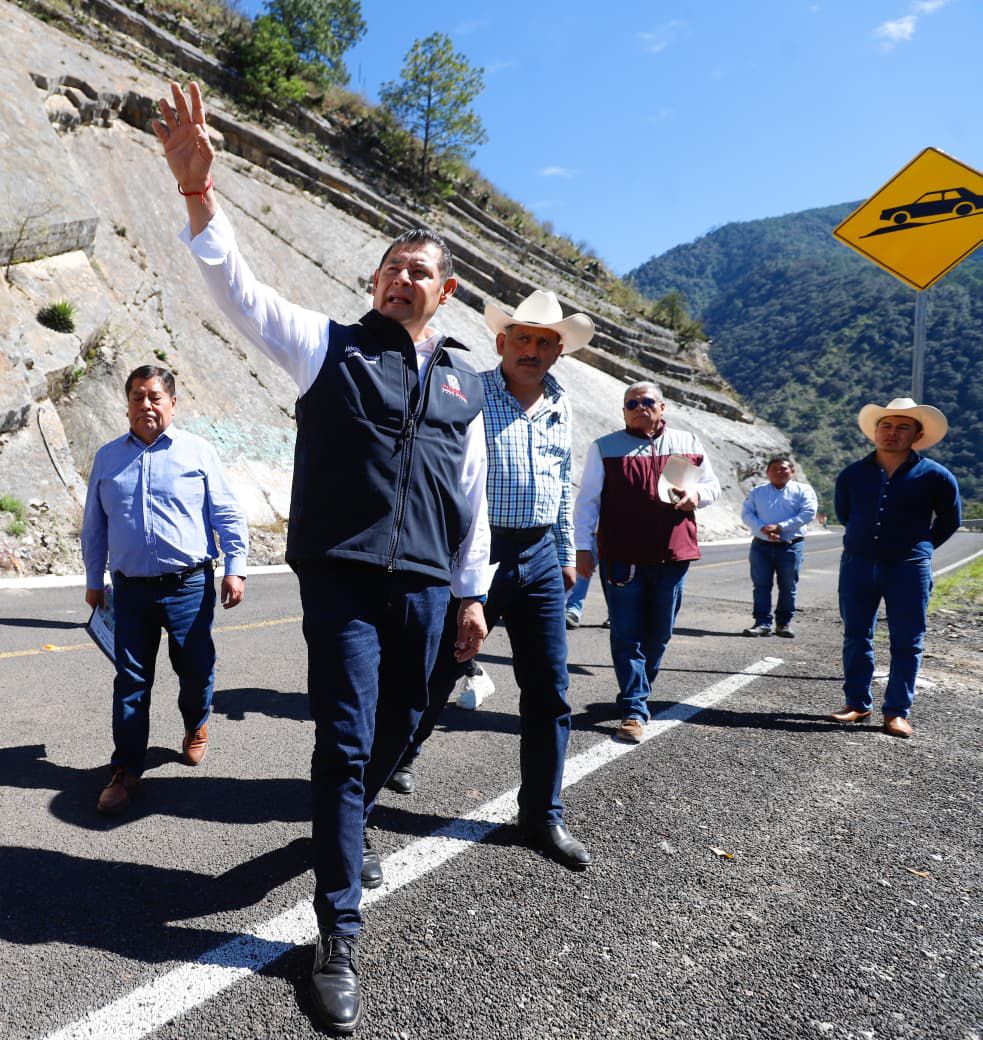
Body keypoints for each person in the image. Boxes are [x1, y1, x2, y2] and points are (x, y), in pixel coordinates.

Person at [153, 82, 491, 1034]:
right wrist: (196, 195)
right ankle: (335, 933)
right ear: (374, 281)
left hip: (429, 586)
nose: (401, 281)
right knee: (343, 747)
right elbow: (239, 292)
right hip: (341, 578)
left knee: (405, 729)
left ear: (445, 289)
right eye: (390, 268)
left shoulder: (462, 384)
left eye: (419, 271)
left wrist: (473, 594)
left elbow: (468, 500)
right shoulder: (329, 349)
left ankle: (344, 829)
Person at [382, 289, 595, 871]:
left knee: (549, 689)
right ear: (501, 343)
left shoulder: (561, 404)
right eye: (522, 338)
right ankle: (382, 776)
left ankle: (541, 815)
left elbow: (558, 479)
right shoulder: (469, 392)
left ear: (558, 352)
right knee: (436, 669)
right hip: (473, 554)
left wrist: (562, 550)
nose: (532, 349)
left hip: (539, 559)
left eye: (544, 342)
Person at [81, 365, 248, 815]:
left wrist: (236, 567)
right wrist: (94, 580)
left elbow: (227, 514)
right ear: (128, 404)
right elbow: (94, 527)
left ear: (173, 403)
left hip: (188, 585)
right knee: (131, 681)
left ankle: (196, 723)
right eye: (137, 397)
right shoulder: (108, 457)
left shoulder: (198, 452)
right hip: (130, 591)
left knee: (194, 669)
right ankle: (125, 771)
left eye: (155, 396)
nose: (146, 405)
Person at [573, 383, 721, 744]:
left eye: (647, 402)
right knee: (626, 634)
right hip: (621, 557)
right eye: (631, 404)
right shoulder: (604, 448)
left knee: (660, 633)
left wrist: (695, 495)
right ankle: (635, 708)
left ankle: (635, 691)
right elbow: (588, 501)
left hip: (673, 555)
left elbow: (713, 486)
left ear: (663, 407)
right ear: (624, 412)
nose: (640, 407)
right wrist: (582, 548)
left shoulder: (687, 443)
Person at [829, 397, 960, 739]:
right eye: (885, 426)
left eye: (903, 427)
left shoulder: (936, 476)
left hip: (908, 568)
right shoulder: (853, 474)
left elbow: (950, 520)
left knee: (907, 641)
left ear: (917, 434)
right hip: (857, 565)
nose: (892, 433)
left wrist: (924, 547)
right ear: (875, 431)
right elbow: (846, 513)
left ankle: (897, 712)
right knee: (856, 636)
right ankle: (857, 702)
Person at [740, 456, 817, 638]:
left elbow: (808, 512)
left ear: (792, 471)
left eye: (783, 469)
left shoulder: (803, 490)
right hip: (761, 545)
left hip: (790, 546)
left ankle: (783, 624)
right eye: (774, 469)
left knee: (788, 586)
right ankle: (762, 623)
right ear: (767, 472)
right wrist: (763, 529)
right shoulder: (758, 492)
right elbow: (747, 513)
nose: (779, 472)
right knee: (761, 586)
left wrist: (781, 527)